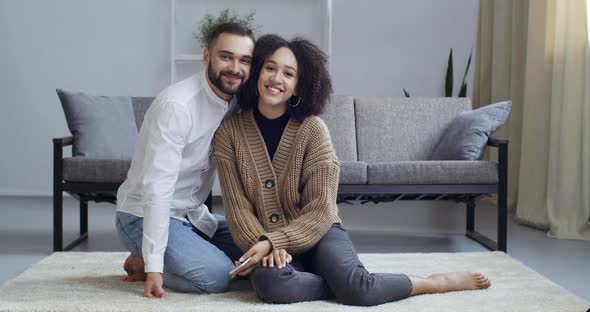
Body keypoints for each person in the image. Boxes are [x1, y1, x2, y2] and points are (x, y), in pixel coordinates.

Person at [213, 34, 491, 306]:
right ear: (257, 73)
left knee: (360, 292)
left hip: (320, 231)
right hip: (265, 238)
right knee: (271, 284)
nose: (276, 79)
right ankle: (340, 282)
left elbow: (321, 210)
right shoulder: (229, 132)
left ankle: (433, 282)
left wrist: (275, 241)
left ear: (298, 86)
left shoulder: (313, 130)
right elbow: (238, 209)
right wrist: (263, 244)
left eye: (288, 74)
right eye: (270, 68)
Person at [114, 22, 255, 298]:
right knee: (215, 276)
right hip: (142, 215)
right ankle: (142, 259)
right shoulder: (177, 107)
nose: (235, 68)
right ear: (206, 57)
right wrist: (154, 267)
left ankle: (183, 252)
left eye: (244, 60)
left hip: (193, 216)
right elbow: (158, 188)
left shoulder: (236, 102)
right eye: (226, 56)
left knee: (258, 250)